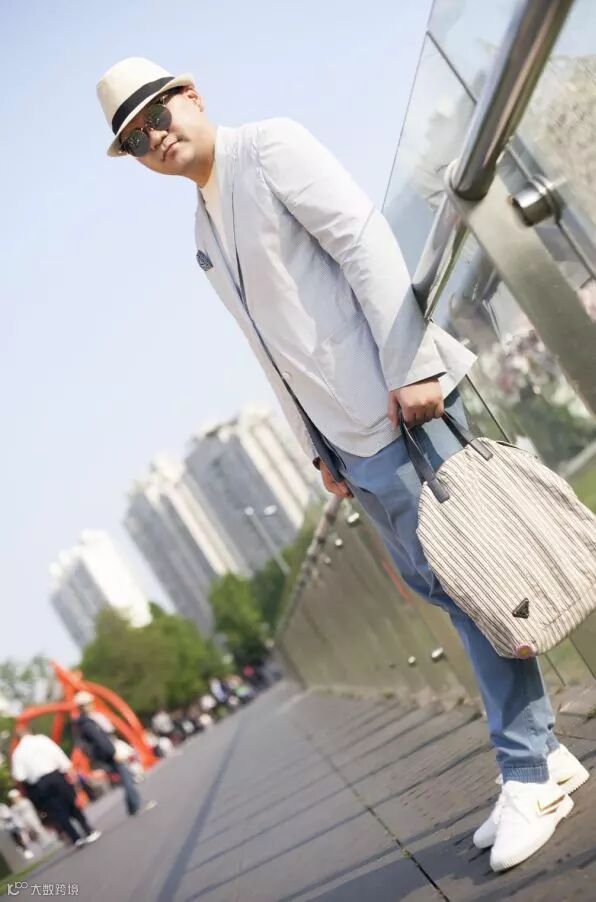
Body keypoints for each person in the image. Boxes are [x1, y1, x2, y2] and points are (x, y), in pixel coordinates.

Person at [97, 57, 590, 872]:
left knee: (482, 585)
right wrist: (315, 448)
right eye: (136, 138)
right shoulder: (202, 234)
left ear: (192, 96)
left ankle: (529, 772)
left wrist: (413, 367)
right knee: (453, 592)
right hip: (353, 445)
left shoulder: (269, 148)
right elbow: (270, 350)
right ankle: (544, 755)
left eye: (157, 114)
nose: (155, 137)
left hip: (401, 406)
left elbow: (364, 243)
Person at [10, 725, 100, 848]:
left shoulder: (18, 753)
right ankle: (88, 830)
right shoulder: (41, 740)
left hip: (39, 784)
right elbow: (58, 754)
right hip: (56, 776)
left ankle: (75, 838)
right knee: (71, 803)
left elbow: (20, 776)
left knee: (57, 811)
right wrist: (69, 769)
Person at [72, 691, 155, 817]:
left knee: (126, 777)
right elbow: (100, 740)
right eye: (88, 703)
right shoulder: (87, 723)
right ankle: (136, 805)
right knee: (127, 779)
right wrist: (113, 753)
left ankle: (132, 807)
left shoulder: (83, 722)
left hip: (104, 754)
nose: (90, 705)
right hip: (109, 754)